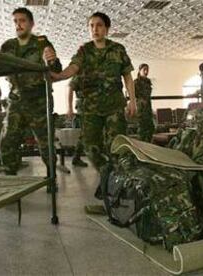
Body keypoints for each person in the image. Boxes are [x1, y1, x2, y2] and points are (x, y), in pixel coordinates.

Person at [51, 12, 136, 176]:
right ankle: (108, 174)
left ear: (107, 29)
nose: (94, 29)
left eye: (99, 25)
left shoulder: (118, 49)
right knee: (90, 146)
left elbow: (127, 76)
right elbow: (74, 67)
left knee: (118, 145)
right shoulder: (84, 51)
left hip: (114, 106)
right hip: (91, 108)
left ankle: (117, 181)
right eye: (91, 26)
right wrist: (59, 76)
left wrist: (133, 101)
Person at [0, 7, 62, 175]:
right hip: (16, 100)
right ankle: (10, 176)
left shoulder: (41, 43)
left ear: (31, 23)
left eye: (22, 21)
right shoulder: (7, 46)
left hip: (39, 101)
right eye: (15, 21)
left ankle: (51, 175)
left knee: (44, 142)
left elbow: (55, 68)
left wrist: (52, 60)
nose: (18, 25)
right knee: (7, 140)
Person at [67, 76, 88, 167]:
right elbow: (70, 88)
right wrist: (70, 108)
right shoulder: (80, 74)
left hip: (95, 106)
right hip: (85, 106)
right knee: (85, 133)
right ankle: (76, 157)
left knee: (85, 133)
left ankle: (76, 157)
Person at [134, 64, 154, 142]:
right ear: (140, 70)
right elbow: (134, 94)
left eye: (147, 70)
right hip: (141, 108)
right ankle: (141, 147)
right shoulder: (136, 82)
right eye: (144, 69)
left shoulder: (148, 81)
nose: (146, 72)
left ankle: (149, 145)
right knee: (142, 129)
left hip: (148, 107)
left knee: (151, 128)